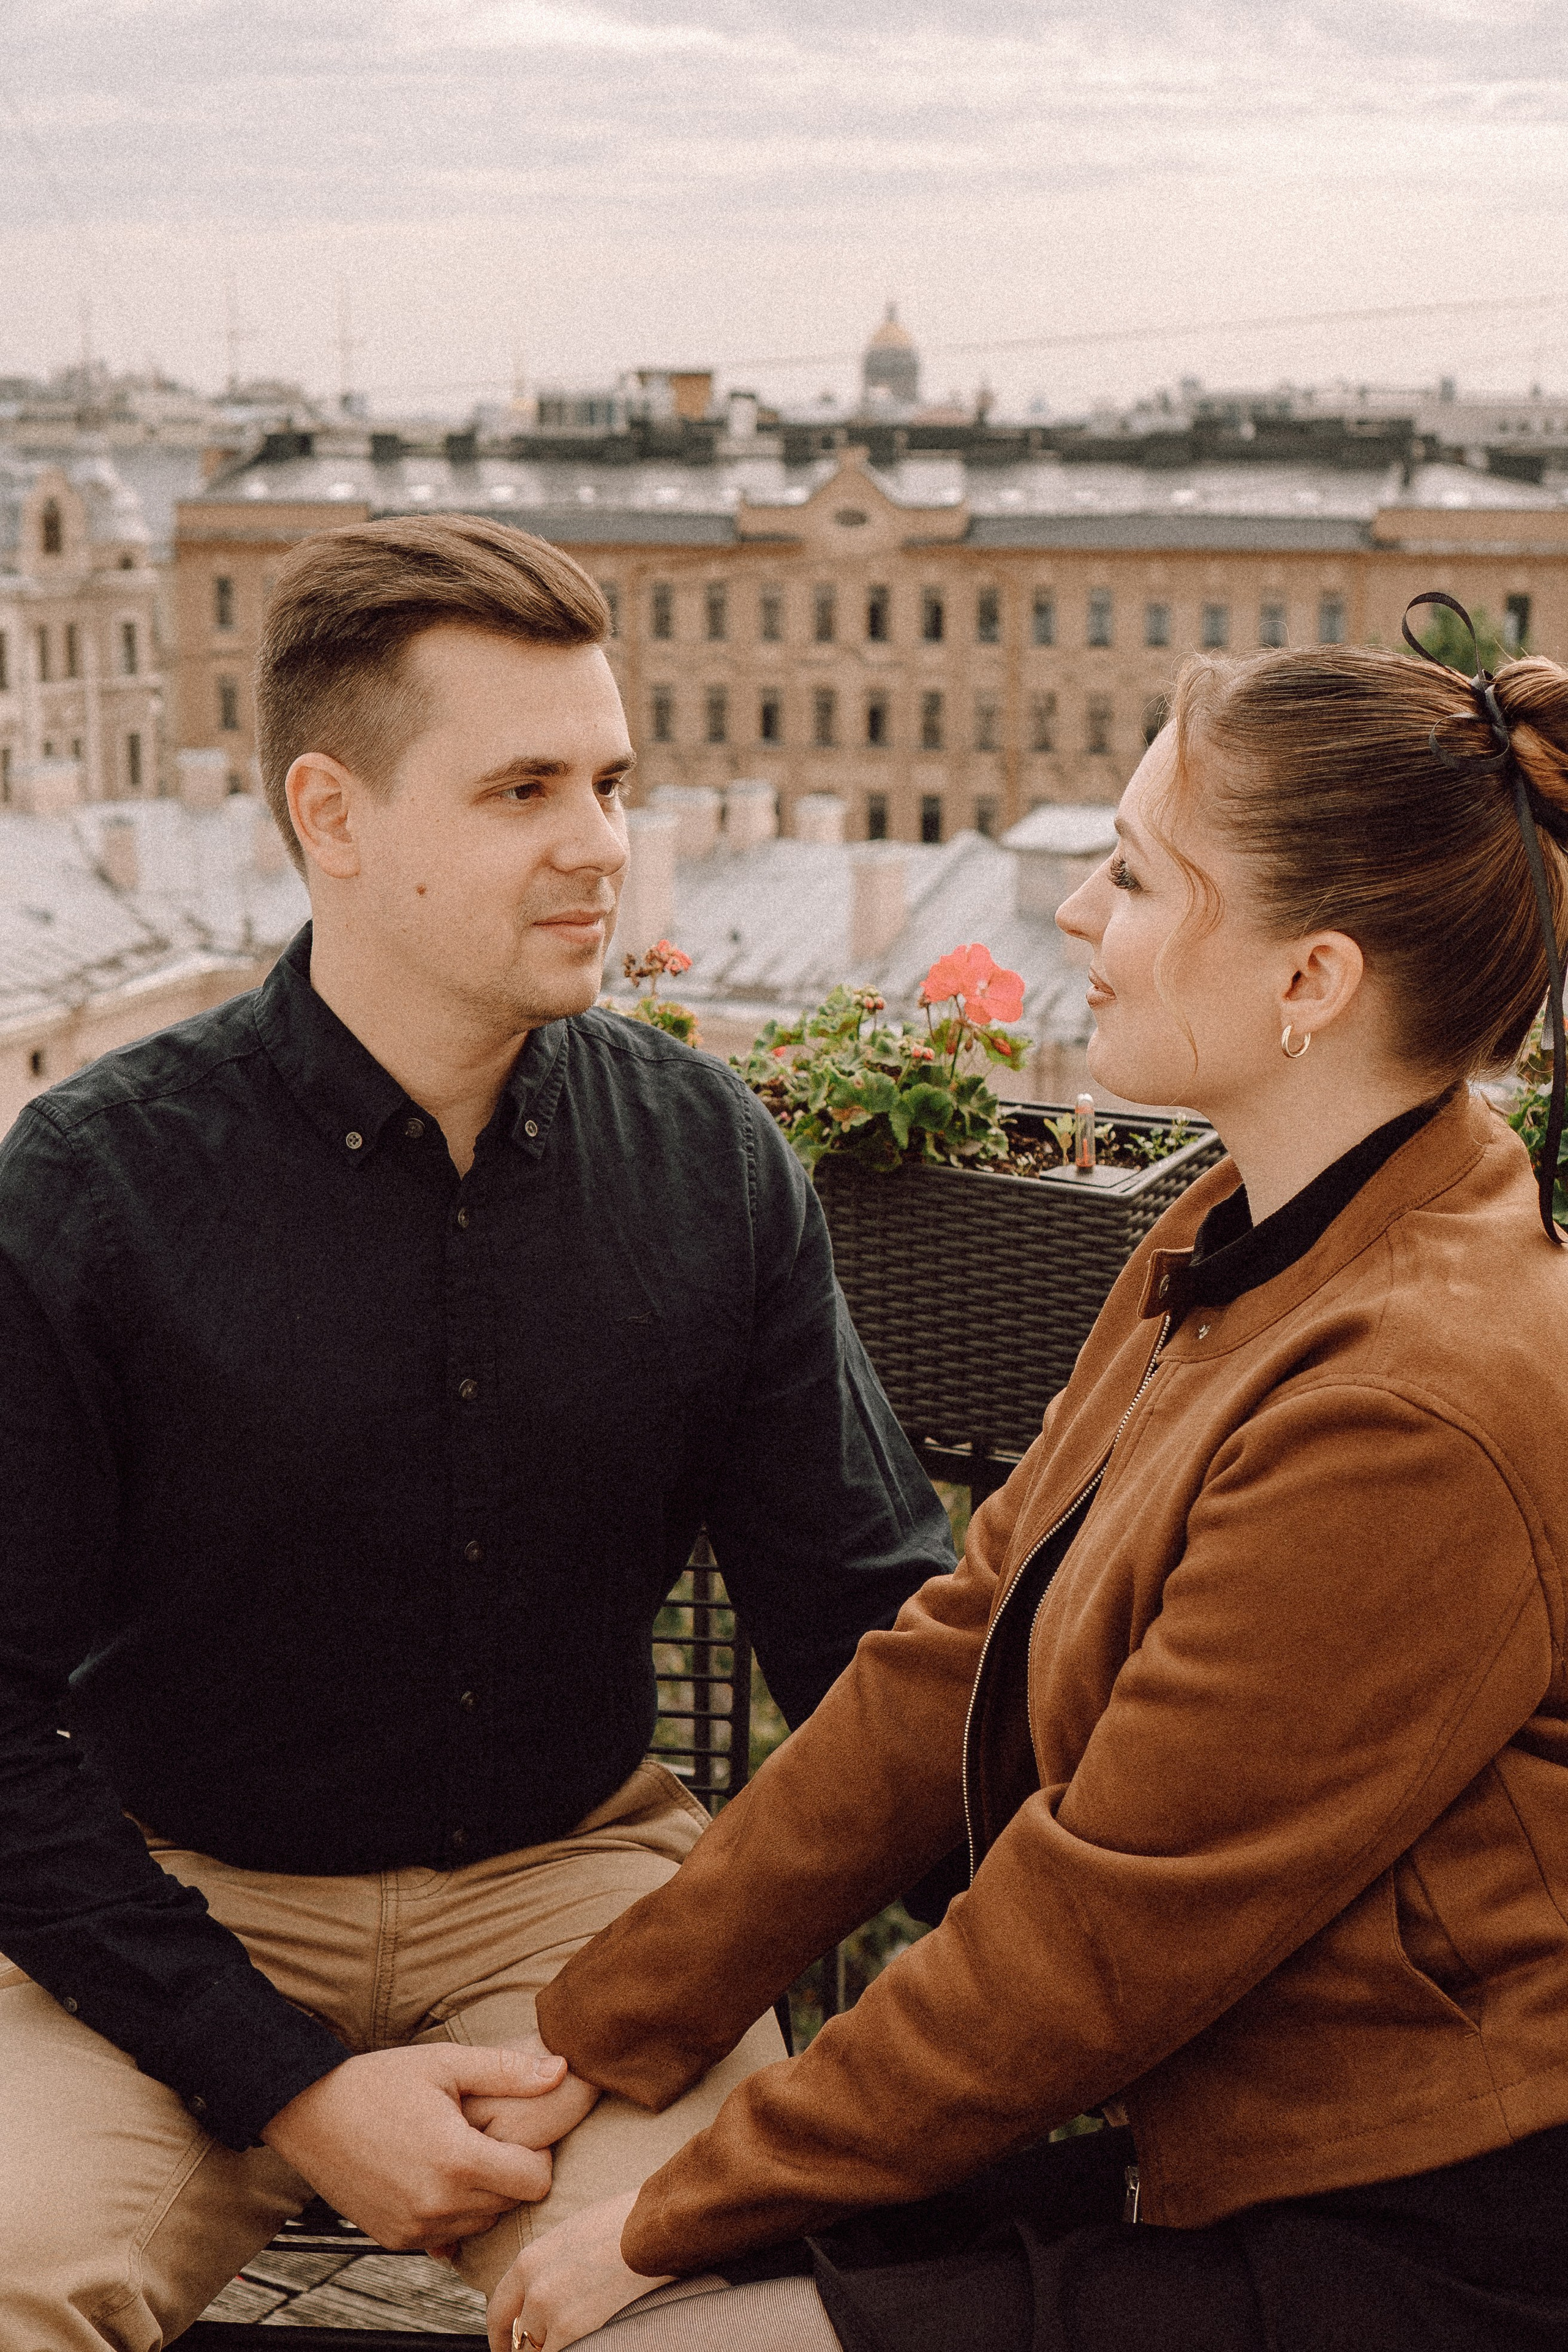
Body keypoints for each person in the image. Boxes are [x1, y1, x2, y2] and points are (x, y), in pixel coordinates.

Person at [489, 602, 1568, 2352]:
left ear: (1313, 982)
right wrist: (598, 2033)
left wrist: (669, 2218)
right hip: (1225, 2150)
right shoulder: (1246, 1234)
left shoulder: (1419, 1404)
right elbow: (945, 1662)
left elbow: (1091, 1939)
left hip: (1424, 2237)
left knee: (651, 2333)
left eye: (1136, 881)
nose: (1074, 914)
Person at [0, 514, 954, 2347]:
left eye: (609, 779)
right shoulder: (99, 1185)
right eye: (523, 789)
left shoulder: (707, 1159)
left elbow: (869, 1633)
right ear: (331, 817)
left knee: (713, 2327)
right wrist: (282, 2080)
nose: (601, 844)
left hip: (578, 1915)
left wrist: (1108, 1957)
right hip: (185, 1900)